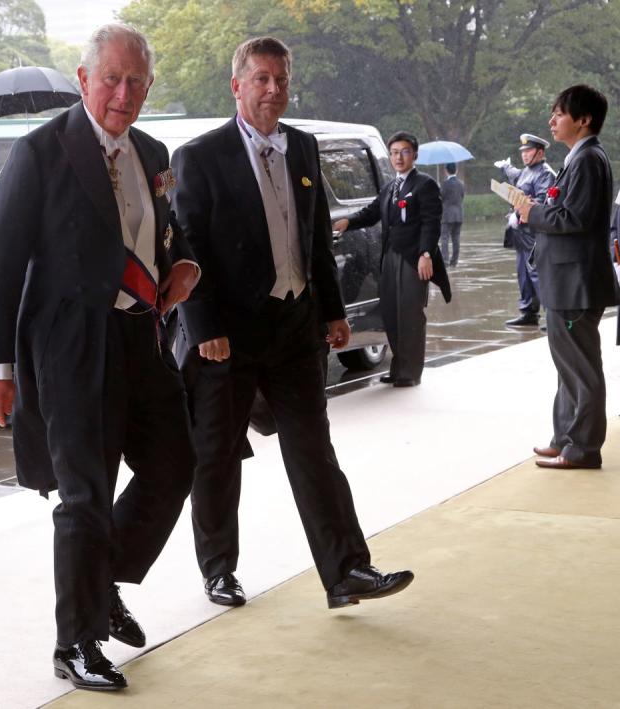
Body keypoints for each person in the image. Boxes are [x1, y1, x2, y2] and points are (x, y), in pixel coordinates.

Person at [0, 24, 199, 691]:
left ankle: (101, 581)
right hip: (69, 348)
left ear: (149, 85)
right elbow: (1, 263)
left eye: (135, 82)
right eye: (111, 79)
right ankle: (75, 642)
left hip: (141, 338)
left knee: (175, 462)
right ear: (83, 78)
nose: (122, 94)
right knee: (85, 493)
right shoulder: (41, 151)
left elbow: (166, 236)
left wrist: (181, 265)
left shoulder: (153, 151)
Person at [171, 36, 413, 613]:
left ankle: (347, 570)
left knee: (313, 451)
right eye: (261, 79)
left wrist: (332, 310)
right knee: (217, 455)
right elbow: (188, 243)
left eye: (280, 78)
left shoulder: (303, 149)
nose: (273, 89)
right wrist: (203, 325)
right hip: (225, 337)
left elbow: (315, 241)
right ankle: (218, 570)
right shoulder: (199, 157)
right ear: (237, 86)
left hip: (295, 329)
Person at [514, 85, 618, 469]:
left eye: (559, 113)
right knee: (568, 365)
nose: (552, 120)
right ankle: (565, 438)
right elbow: (569, 209)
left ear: (584, 119)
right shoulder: (579, 158)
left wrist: (532, 214)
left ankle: (583, 448)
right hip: (565, 280)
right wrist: (540, 209)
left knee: (581, 368)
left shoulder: (589, 159)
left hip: (575, 281)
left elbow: (578, 218)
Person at [334, 131, 451, 386]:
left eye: (405, 152)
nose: (399, 157)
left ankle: (410, 373)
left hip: (413, 259)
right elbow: (372, 212)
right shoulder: (390, 187)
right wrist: (348, 221)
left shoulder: (424, 184)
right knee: (392, 314)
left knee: (410, 315)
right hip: (390, 257)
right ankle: (399, 368)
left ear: (415, 155)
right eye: (395, 152)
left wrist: (426, 254)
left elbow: (432, 224)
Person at [495, 134, 556, 327]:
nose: (525, 155)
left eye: (528, 151)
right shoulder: (527, 171)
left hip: (535, 232)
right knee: (523, 274)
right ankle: (528, 311)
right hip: (521, 232)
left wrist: (520, 213)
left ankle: (552, 315)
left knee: (538, 273)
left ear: (540, 152)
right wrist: (505, 167)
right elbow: (516, 176)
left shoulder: (545, 173)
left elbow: (543, 203)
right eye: (523, 152)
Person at [439, 162, 464, 267]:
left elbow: (441, 198)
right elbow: (462, 197)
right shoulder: (461, 184)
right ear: (456, 170)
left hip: (447, 215)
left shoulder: (444, 184)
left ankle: (445, 261)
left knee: (444, 238)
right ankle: (454, 261)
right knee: (456, 238)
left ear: (446, 170)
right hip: (459, 215)